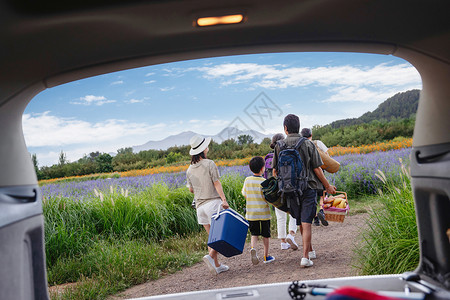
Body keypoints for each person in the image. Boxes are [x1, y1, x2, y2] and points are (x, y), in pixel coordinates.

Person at [273, 114, 336, 268]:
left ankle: (311, 250)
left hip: (289, 190)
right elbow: (317, 169)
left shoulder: (279, 145)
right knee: (306, 222)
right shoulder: (307, 144)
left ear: (285, 128)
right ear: (299, 127)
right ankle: (305, 257)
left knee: (301, 221)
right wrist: (327, 186)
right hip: (308, 188)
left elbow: (275, 172)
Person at [186, 134, 230, 275]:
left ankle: (216, 265)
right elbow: (216, 183)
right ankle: (210, 257)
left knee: (212, 238)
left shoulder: (189, 169)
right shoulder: (210, 163)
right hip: (212, 203)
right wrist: (224, 199)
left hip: (200, 208)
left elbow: (191, 189)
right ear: (203, 149)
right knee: (221, 235)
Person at [267, 133, 299, 251]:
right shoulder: (286, 153)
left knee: (280, 216)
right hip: (287, 186)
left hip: (274, 191)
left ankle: (283, 242)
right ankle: (291, 234)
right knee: (293, 212)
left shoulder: (268, 158)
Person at [242, 156, 275, 265]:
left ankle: (253, 248)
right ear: (262, 168)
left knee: (254, 233)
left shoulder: (247, 180)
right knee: (266, 234)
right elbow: (267, 198)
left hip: (251, 213)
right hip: (264, 213)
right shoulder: (264, 182)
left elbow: (245, 194)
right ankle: (266, 256)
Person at [300, 127, 328, 227]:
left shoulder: (300, 145)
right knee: (323, 194)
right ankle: (321, 210)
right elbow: (327, 156)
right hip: (319, 172)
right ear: (311, 135)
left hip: (308, 176)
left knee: (312, 197)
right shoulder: (318, 143)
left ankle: (315, 217)